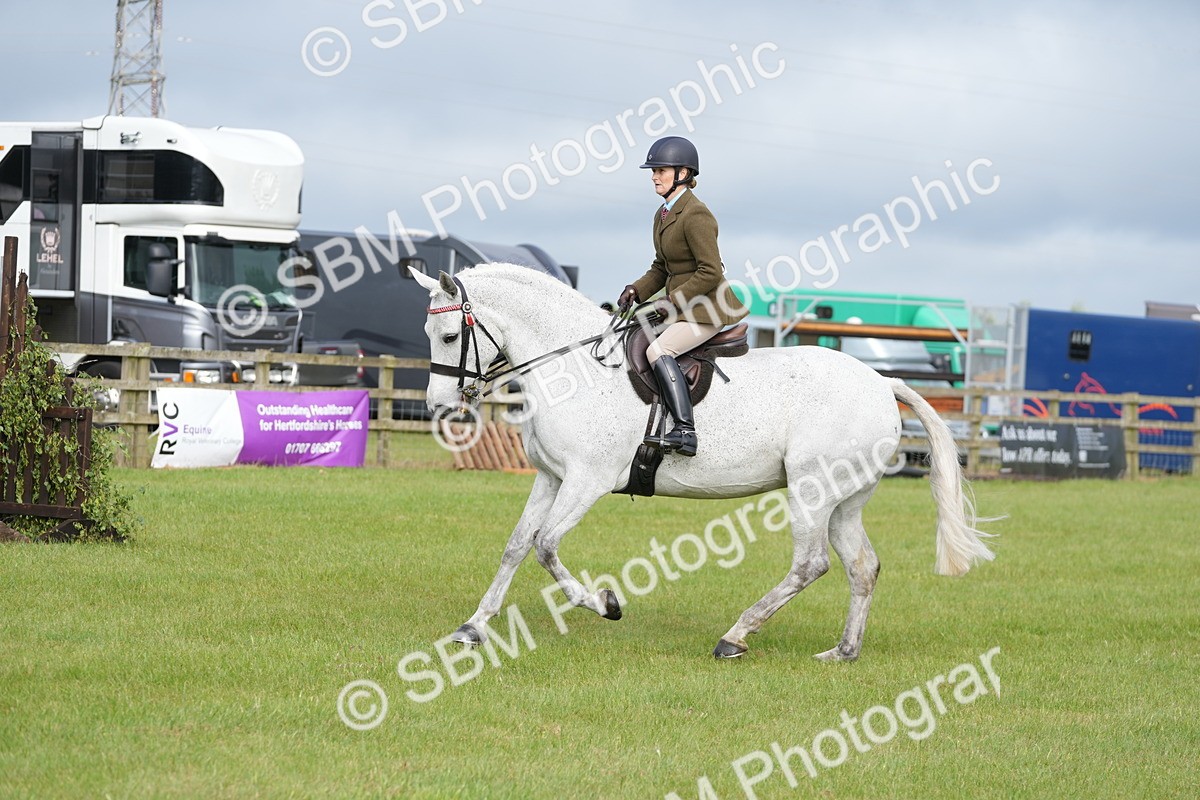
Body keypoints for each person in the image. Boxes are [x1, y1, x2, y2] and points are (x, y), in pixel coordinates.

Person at [618, 136, 748, 457]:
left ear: (683, 173)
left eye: (660, 170)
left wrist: (670, 302)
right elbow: (662, 268)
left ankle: (685, 431)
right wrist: (636, 290)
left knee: (658, 350)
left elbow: (710, 272)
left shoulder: (697, 215)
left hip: (708, 309)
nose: (654, 176)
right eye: (653, 171)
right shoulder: (662, 215)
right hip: (682, 307)